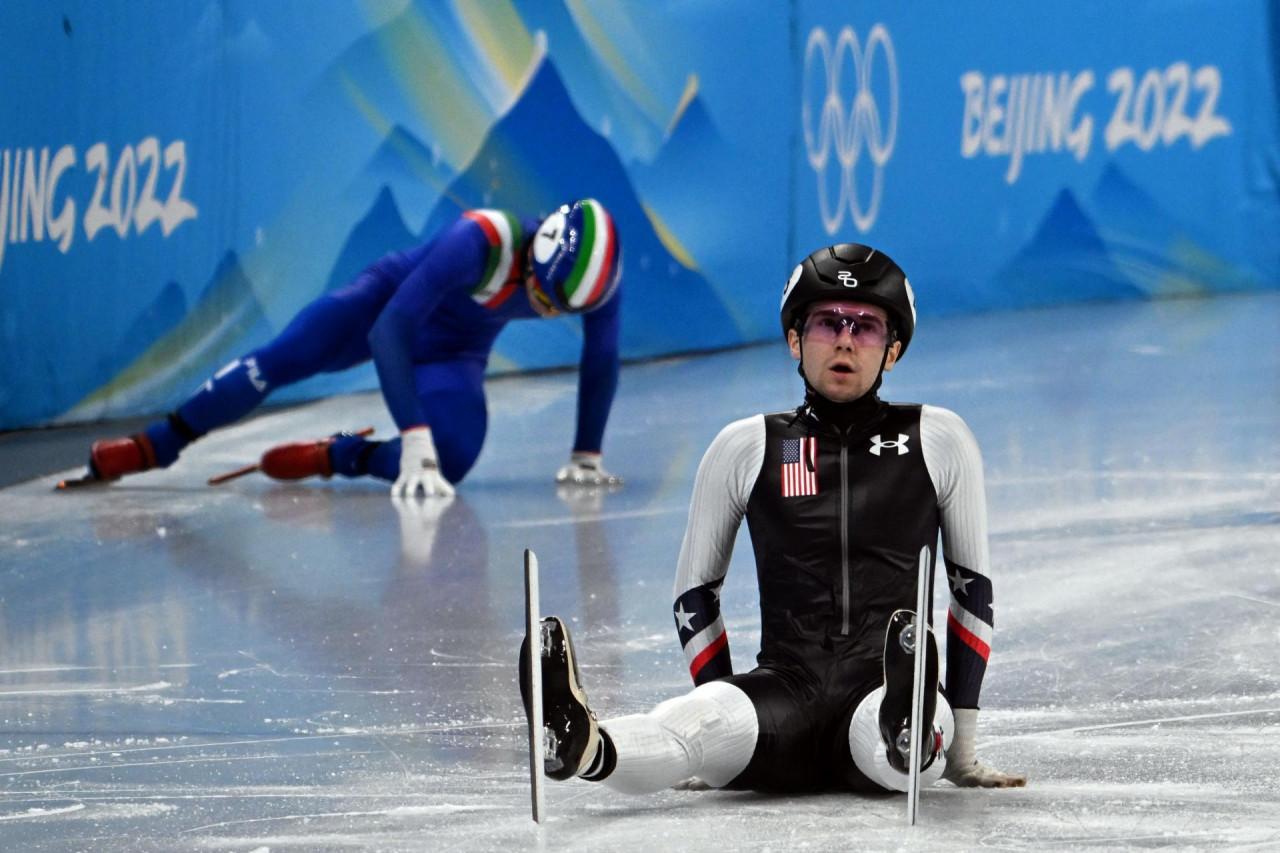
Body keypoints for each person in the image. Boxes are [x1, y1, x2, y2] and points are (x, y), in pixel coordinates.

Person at [521, 243, 1025, 796]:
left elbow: (971, 589)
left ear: (894, 351)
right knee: (687, 730)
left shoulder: (938, 438)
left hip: (879, 689)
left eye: (867, 328)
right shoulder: (748, 446)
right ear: (793, 340)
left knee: (892, 737)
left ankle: (912, 722)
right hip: (784, 693)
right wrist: (719, 708)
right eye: (827, 323)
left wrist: (965, 751)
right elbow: (694, 593)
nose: (845, 340)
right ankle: (578, 742)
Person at [81, 199, 624, 495]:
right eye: (542, 297)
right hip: (384, 307)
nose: (548, 311)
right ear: (535, 253)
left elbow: (600, 357)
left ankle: (340, 453)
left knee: (449, 461)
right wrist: (412, 432)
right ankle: (156, 445)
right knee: (276, 364)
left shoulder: (595, 284)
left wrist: (586, 455)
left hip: (455, 353)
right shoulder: (480, 239)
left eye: (561, 309)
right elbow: (390, 329)